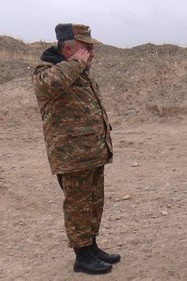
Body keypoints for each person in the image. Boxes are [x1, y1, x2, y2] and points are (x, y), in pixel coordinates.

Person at [32, 23, 120, 274]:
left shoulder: (79, 74)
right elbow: (51, 83)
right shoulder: (45, 71)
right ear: (68, 49)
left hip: (92, 152)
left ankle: (91, 247)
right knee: (78, 204)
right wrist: (77, 64)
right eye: (86, 48)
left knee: (93, 203)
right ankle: (82, 255)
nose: (91, 53)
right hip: (72, 156)